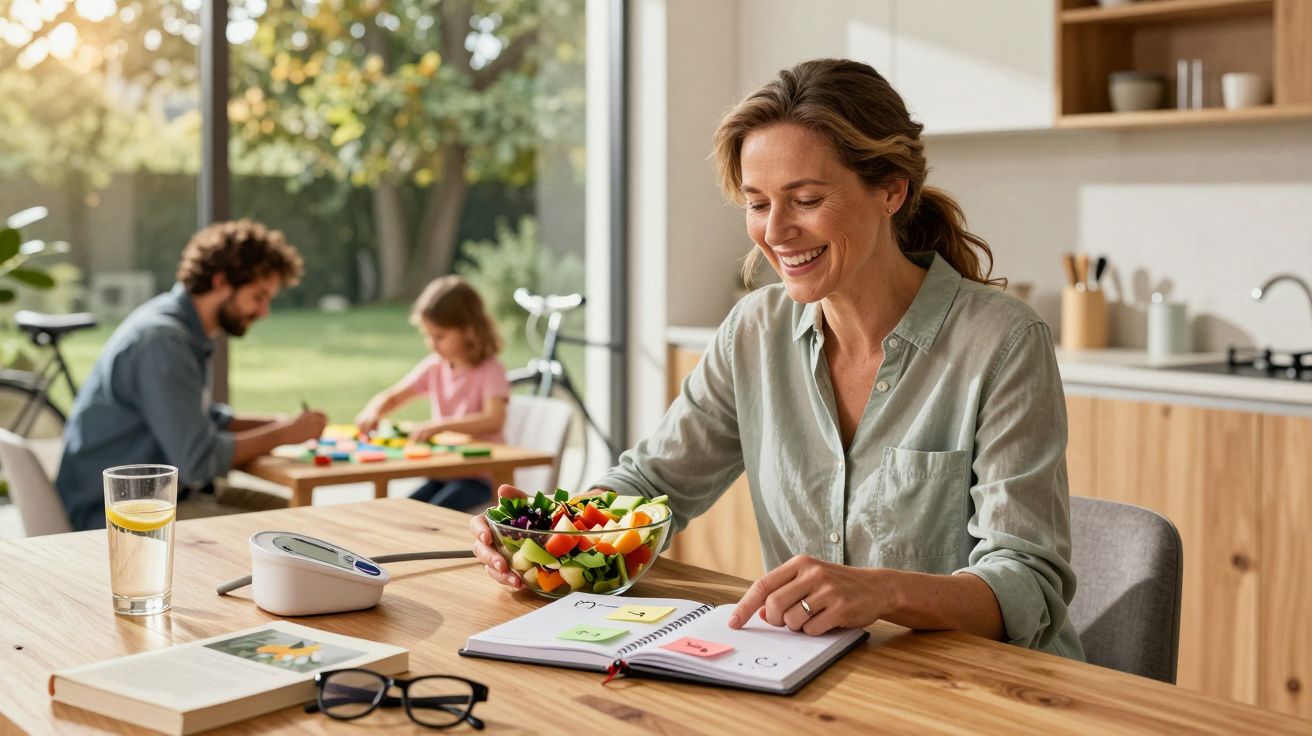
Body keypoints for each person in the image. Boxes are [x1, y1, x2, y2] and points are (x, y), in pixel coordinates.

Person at [470, 59, 1084, 660]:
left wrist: (883, 590)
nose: (776, 231)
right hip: (815, 677)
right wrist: (553, 543)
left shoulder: (1000, 340)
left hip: (983, 691)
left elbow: (1028, 581)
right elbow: (653, 486)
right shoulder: (754, 330)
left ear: (891, 189)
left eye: (807, 199)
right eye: (758, 203)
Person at [56, 220, 328, 531]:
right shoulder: (164, 342)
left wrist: (284, 423)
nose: (264, 311)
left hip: (161, 496)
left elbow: (203, 419)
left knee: (305, 520)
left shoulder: (179, 328)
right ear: (221, 281)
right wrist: (283, 435)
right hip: (119, 512)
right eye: (258, 296)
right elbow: (198, 462)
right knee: (287, 535)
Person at [355, 275, 509, 510]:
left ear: (468, 329)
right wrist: (374, 409)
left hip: (480, 479)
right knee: (401, 512)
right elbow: (396, 395)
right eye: (428, 335)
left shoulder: (490, 370)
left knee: (427, 517)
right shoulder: (434, 366)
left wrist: (441, 425)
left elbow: (494, 420)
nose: (432, 343)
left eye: (440, 336)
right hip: (444, 473)